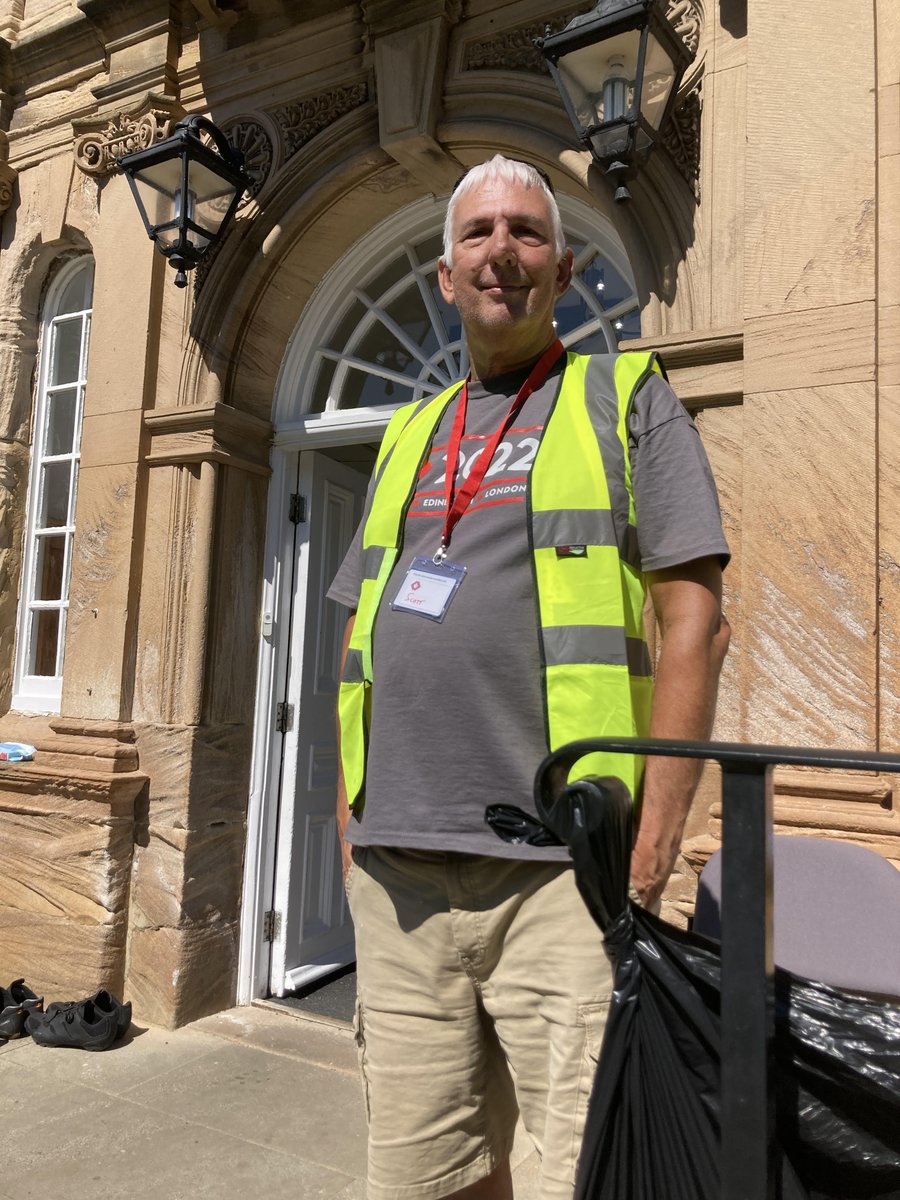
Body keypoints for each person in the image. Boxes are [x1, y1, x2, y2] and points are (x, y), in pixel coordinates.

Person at [328, 155, 731, 1200]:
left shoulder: (625, 397)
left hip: (561, 874)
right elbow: (361, 633)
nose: (500, 250)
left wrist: (658, 833)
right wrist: (346, 812)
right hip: (399, 873)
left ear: (562, 268)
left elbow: (695, 622)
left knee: (576, 1175)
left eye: (526, 232)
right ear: (446, 277)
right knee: (424, 1173)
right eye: (477, 234)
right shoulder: (410, 433)